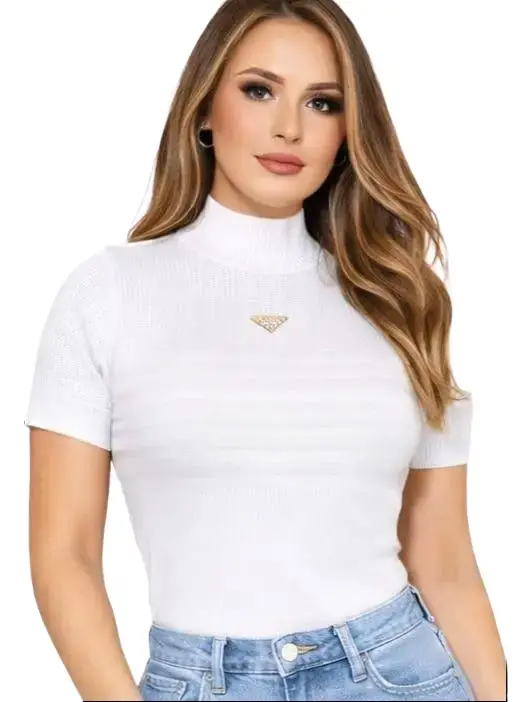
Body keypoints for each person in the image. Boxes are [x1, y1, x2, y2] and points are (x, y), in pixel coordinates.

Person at [25, 0, 507, 700]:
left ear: (348, 131)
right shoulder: (108, 293)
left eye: (322, 102)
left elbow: (445, 562)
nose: (289, 127)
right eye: (259, 91)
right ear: (203, 110)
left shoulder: (400, 300)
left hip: (398, 671)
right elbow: (63, 556)